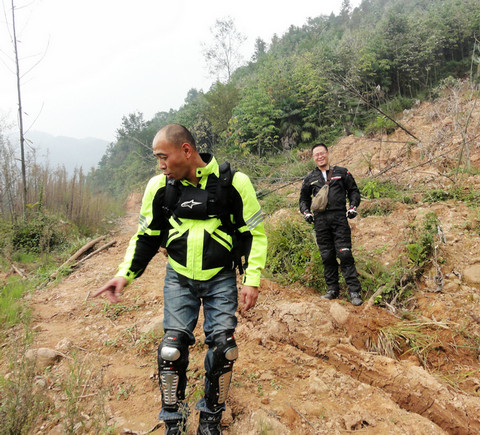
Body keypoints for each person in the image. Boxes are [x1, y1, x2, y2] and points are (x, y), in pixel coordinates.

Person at [94, 124, 267, 435]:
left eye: (163, 157)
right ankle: (174, 421)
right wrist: (124, 275)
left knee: (224, 349)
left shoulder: (234, 184)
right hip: (179, 278)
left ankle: (210, 419)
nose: (160, 165)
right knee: (171, 350)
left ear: (186, 151)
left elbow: (254, 233)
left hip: (221, 279)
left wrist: (251, 279)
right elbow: (146, 237)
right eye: (157, 158)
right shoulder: (159, 187)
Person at [299, 143, 363, 306]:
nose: (319, 156)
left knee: (345, 254)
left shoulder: (342, 172)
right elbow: (303, 200)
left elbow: (354, 191)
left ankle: (354, 291)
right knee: (327, 256)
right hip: (320, 221)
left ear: (327, 153)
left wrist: (353, 207)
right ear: (313, 158)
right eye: (316, 155)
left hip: (339, 218)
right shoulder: (310, 178)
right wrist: (306, 212)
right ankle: (332, 290)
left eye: (322, 153)